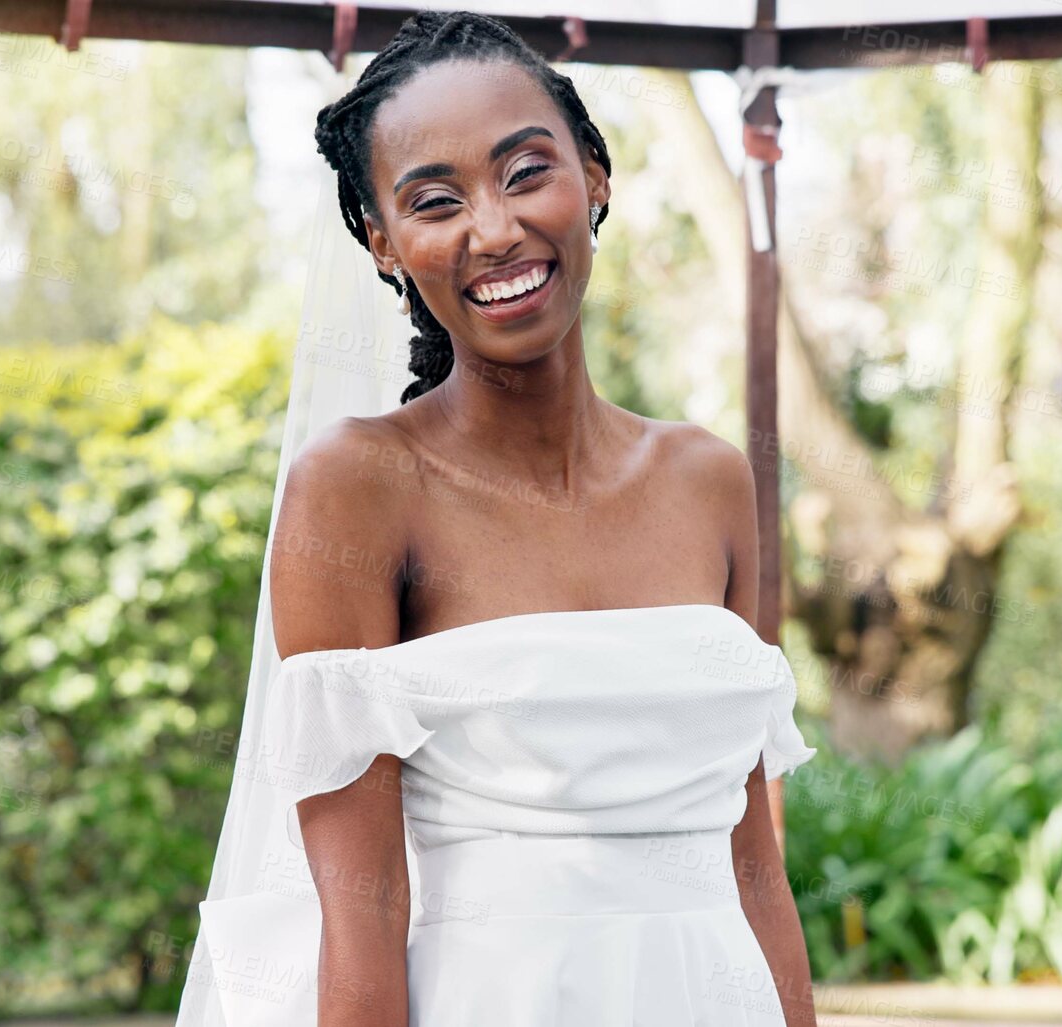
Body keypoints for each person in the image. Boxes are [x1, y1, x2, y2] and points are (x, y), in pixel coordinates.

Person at [177, 11, 817, 1025]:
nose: (494, 228)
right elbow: (364, 910)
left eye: (526, 172)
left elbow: (754, 873)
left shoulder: (711, 479)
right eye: (436, 201)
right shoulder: (358, 487)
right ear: (383, 244)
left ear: (595, 177)